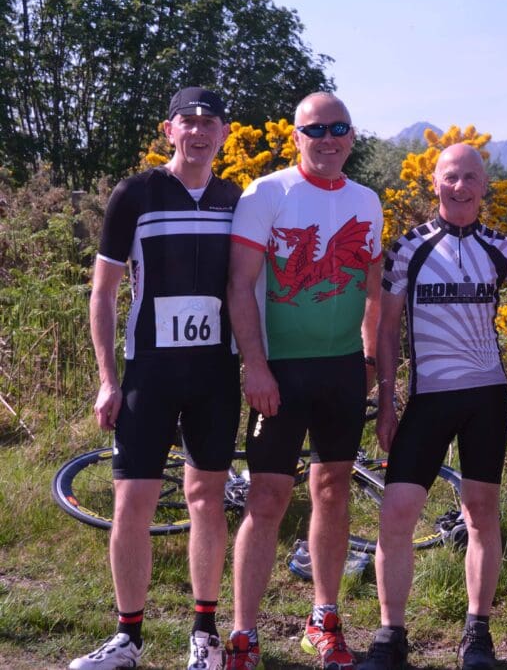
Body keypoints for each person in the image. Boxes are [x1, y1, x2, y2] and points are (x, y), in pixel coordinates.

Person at [75, 87, 240, 670]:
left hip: (216, 374)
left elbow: (249, 289)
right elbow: (103, 292)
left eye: (209, 122)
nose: (198, 131)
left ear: (224, 133)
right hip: (150, 371)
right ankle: (128, 639)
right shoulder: (137, 193)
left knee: (207, 500)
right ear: (168, 130)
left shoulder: (235, 199)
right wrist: (107, 379)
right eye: (186, 121)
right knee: (132, 503)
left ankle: (205, 635)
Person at [361, 143, 507, 670]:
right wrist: (387, 402)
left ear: (484, 186)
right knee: (396, 513)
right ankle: (391, 634)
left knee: (481, 513)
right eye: (451, 177)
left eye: (470, 177)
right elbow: (387, 330)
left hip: (486, 398)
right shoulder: (409, 247)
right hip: (428, 399)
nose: (460, 187)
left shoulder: (502, 248)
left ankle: (477, 634)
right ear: (434, 182)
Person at [226, 91, 383, 670]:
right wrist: (256, 365)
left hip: (342, 369)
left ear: (351, 135)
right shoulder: (266, 193)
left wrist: (370, 361)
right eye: (315, 129)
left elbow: (373, 290)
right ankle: (244, 633)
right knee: (267, 497)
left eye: (338, 128)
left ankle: (324, 618)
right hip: (281, 370)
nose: (328, 139)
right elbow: (240, 286)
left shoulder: (367, 201)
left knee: (333, 489)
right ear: (296, 137)